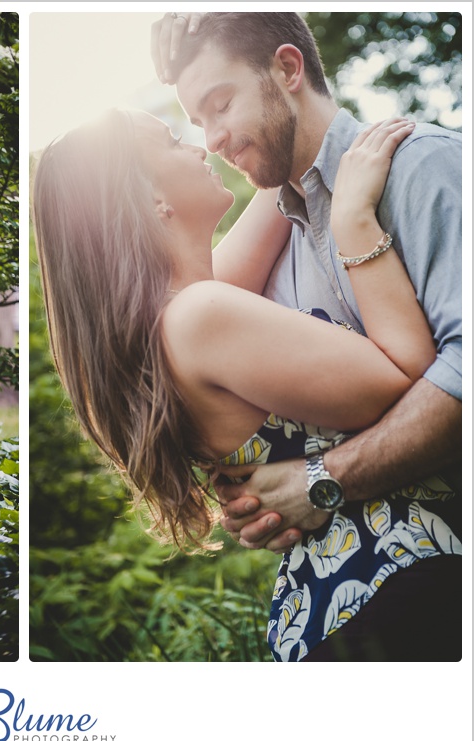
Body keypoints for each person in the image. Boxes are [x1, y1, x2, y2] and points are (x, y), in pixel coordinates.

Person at [32, 109, 461, 661]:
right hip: (391, 584)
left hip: (337, 603)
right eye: (171, 142)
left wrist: (264, 100)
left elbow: (293, 159)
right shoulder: (199, 317)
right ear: (147, 201)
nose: (200, 147)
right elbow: (408, 375)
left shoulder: (182, 310)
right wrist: (353, 221)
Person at [149, 12, 462, 555]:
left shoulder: (422, 166)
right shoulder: (268, 256)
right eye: (195, 122)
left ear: (288, 68)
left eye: (220, 105)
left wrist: (323, 479)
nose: (213, 140)